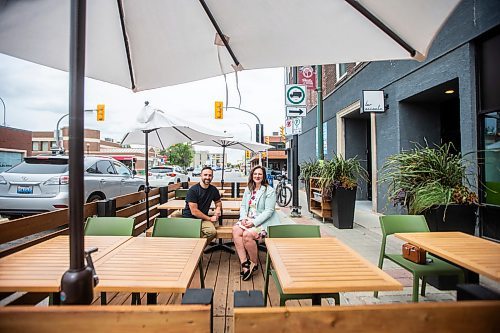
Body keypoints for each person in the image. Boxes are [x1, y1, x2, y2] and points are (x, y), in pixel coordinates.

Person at [233, 165, 280, 281]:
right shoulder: (249, 189)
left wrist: (254, 222)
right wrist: (243, 217)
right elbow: (244, 206)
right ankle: (245, 264)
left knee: (247, 235)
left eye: (260, 174)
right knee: (235, 230)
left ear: (263, 176)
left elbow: (269, 211)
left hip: (263, 222)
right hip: (249, 219)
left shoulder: (269, 190)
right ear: (251, 176)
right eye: (255, 174)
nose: (257, 176)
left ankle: (254, 262)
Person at [182, 166, 222, 243]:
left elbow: (218, 201)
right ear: (201, 175)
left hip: (203, 219)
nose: (208, 177)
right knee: (211, 232)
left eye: (210, 175)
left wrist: (218, 209)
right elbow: (194, 211)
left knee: (213, 229)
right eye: (205, 175)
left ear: (212, 177)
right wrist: (210, 219)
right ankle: (196, 245)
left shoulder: (213, 189)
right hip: (190, 218)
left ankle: (196, 245)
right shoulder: (193, 190)